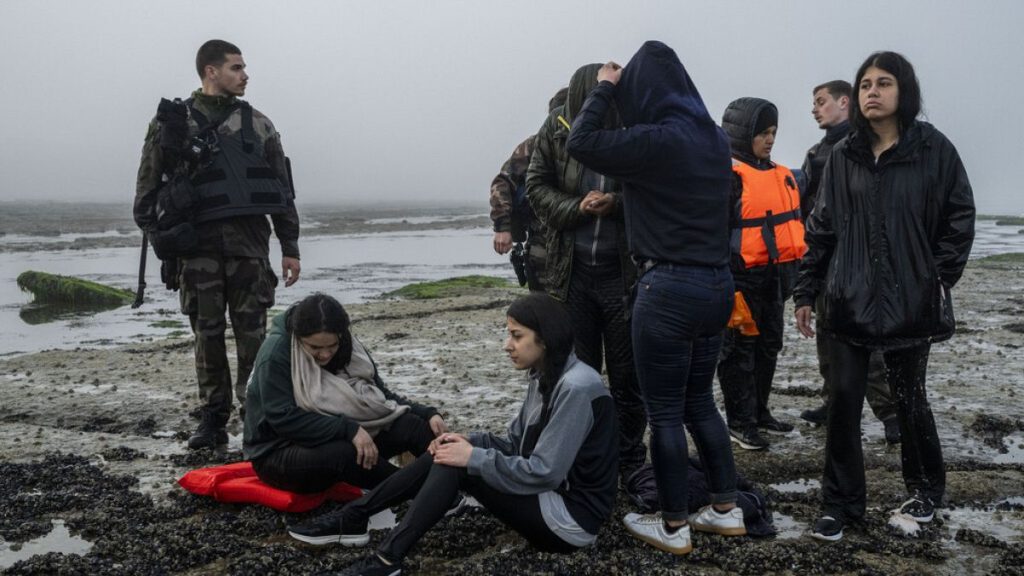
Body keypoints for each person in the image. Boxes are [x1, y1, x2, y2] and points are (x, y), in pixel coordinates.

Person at [289, 293, 619, 576]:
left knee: (456, 463)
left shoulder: (577, 387)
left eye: (516, 336)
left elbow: (545, 472)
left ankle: (386, 556)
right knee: (451, 449)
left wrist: (472, 457)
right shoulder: (545, 374)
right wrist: (468, 442)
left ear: (545, 338)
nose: (507, 346)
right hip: (551, 499)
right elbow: (514, 446)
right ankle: (356, 517)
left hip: (570, 521)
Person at [565, 41, 746, 555]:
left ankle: (672, 526)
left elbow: (582, 141)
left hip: (667, 289)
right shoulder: (712, 138)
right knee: (699, 403)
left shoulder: (655, 139)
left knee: (664, 412)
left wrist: (603, 86)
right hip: (716, 286)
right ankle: (724, 510)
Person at [794, 51, 975, 542]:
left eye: (884, 83)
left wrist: (935, 279)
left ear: (904, 92)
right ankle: (841, 504)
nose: (873, 91)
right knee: (843, 402)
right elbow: (822, 228)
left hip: (909, 305)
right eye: (866, 84)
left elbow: (959, 219)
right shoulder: (842, 156)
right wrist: (806, 289)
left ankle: (924, 492)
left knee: (909, 399)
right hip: (846, 301)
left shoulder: (934, 150)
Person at [134, 39, 302, 449]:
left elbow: (282, 190)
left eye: (244, 68)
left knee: (253, 335)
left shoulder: (259, 124)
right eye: (236, 67)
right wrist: (164, 235)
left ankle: (257, 414)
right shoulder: (172, 124)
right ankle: (212, 420)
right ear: (211, 71)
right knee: (206, 335)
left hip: (249, 249)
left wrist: (290, 246)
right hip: (197, 251)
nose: (245, 75)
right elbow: (146, 191)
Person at [526, 64, 647, 483]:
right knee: (578, 372)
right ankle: (582, 456)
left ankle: (630, 457)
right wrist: (576, 208)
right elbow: (535, 187)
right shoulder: (555, 129)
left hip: (623, 274)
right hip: (571, 272)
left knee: (628, 373)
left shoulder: (633, 129)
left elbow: (654, 189)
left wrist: (615, 202)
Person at [243, 293, 447, 493]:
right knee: (344, 452)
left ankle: (458, 480)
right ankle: (420, 491)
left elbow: (380, 395)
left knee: (411, 425)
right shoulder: (276, 353)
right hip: (278, 454)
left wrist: (427, 413)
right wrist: (348, 429)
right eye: (314, 347)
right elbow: (282, 418)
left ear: (341, 335)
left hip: (343, 435)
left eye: (331, 346)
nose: (324, 354)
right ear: (299, 337)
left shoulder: (348, 345)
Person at [798, 81, 900, 444]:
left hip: (861, 263)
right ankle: (832, 404)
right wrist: (805, 283)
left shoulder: (863, 146)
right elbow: (808, 215)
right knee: (827, 342)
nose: (814, 109)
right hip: (825, 262)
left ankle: (891, 416)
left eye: (820, 101)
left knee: (867, 345)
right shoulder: (815, 153)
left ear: (845, 102)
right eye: (813, 103)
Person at [716, 97, 805, 450]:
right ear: (741, 135)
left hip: (774, 277)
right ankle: (740, 421)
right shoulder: (726, 177)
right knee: (739, 352)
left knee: (769, 346)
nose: (770, 140)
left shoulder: (781, 175)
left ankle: (760, 411)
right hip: (738, 279)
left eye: (773, 132)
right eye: (762, 133)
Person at [489, 88, 568, 291]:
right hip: (542, 243)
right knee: (542, 308)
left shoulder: (588, 140)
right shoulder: (534, 145)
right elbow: (502, 182)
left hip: (580, 244)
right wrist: (503, 227)